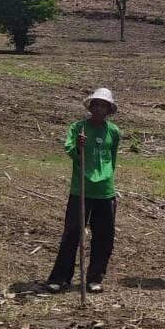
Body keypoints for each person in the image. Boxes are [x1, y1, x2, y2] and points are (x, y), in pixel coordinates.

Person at [45, 87, 121, 293]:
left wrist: (104, 176)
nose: (99, 108)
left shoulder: (113, 132)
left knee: (104, 237)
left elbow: (112, 159)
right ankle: (60, 278)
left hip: (104, 191)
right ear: (91, 107)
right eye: (96, 104)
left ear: (108, 109)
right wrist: (79, 147)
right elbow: (71, 151)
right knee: (72, 234)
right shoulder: (78, 128)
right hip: (82, 189)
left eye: (103, 105)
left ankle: (94, 278)